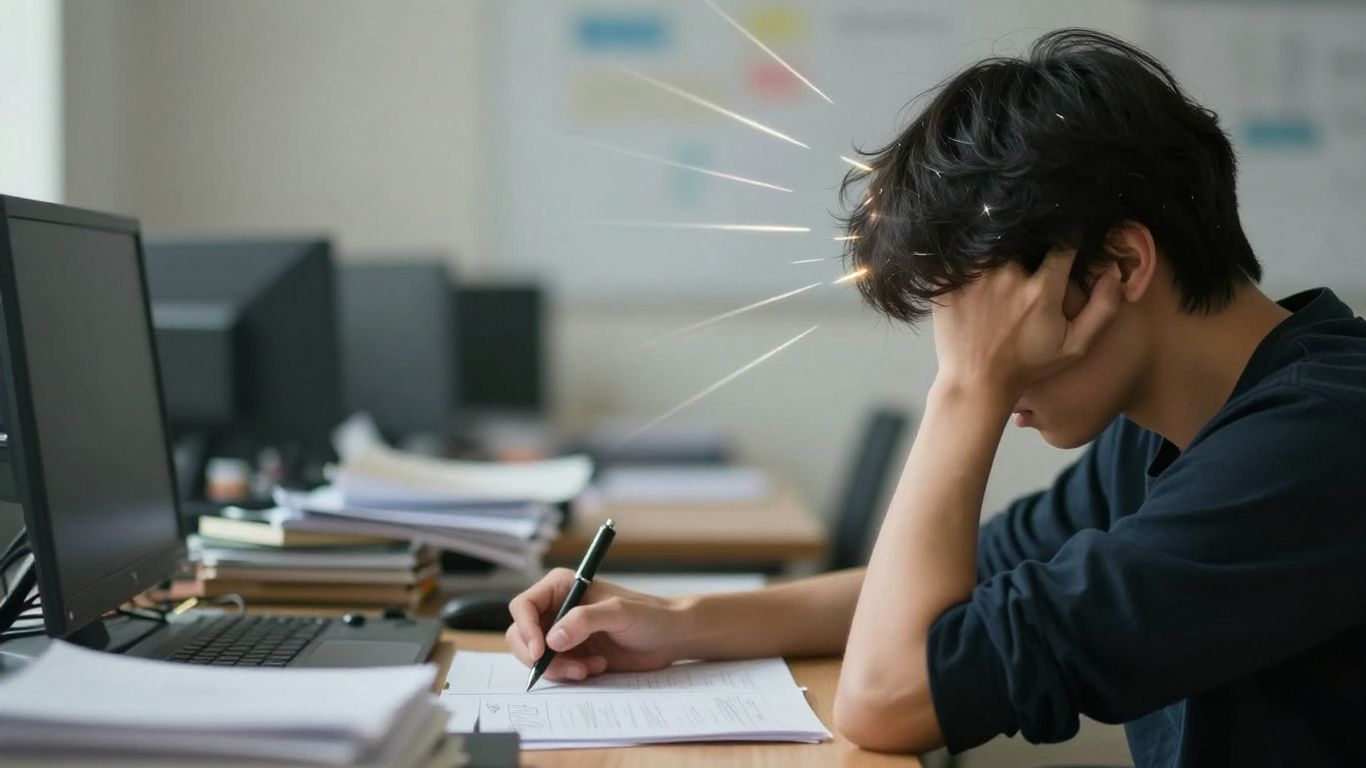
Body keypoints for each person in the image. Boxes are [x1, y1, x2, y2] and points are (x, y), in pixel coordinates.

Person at [506, 28, 1366, 766]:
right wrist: (682, 623)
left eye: (988, 327)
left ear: (1120, 269)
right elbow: (969, 588)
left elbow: (888, 695)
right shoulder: (1168, 430)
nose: (975, 361)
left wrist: (968, 391)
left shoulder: (1325, 438)